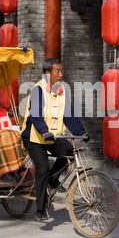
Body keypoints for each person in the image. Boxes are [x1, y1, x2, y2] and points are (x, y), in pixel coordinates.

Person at [21, 58, 89, 221]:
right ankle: (40, 210)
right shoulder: (38, 90)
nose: (61, 74)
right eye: (57, 71)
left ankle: (53, 179)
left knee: (69, 152)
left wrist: (81, 131)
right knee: (42, 168)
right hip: (34, 136)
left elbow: (68, 115)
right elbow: (36, 115)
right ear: (47, 73)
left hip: (52, 135)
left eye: (61, 70)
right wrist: (44, 131)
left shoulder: (61, 90)